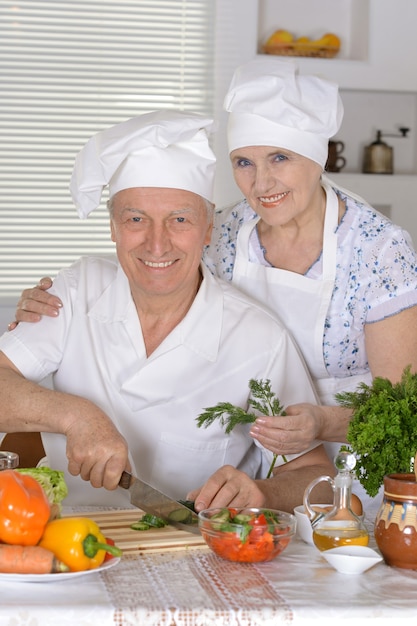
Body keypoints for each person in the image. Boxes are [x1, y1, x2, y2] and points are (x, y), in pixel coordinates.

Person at [0, 109, 334, 511]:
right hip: (69, 543)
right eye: (136, 219)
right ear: (113, 228)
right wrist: (77, 416)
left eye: (179, 219)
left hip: (192, 553)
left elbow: (316, 475)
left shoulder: (258, 338)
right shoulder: (76, 290)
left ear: (208, 228)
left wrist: (263, 493)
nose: (157, 245)